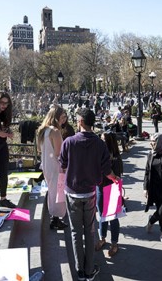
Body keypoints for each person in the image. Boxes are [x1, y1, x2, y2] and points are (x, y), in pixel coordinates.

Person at [59, 108, 119, 281]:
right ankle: (89, 269)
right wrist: (115, 180)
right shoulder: (100, 144)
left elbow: (62, 164)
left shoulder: (69, 142)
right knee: (90, 231)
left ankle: (80, 270)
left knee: (76, 232)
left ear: (80, 122)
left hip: (72, 192)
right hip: (90, 192)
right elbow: (107, 170)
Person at [36, 106, 68, 230]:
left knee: (52, 191)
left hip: (46, 165)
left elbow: (39, 149)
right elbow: (59, 153)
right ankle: (55, 218)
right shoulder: (55, 131)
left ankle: (54, 218)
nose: (64, 120)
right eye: (63, 117)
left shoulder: (42, 130)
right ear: (56, 117)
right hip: (56, 166)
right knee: (58, 193)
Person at [95, 131, 123, 257]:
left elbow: (117, 175)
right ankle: (103, 237)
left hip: (111, 188)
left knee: (112, 217)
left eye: (103, 139)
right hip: (99, 187)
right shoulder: (99, 153)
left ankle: (114, 242)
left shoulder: (115, 157)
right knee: (101, 215)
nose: (100, 142)